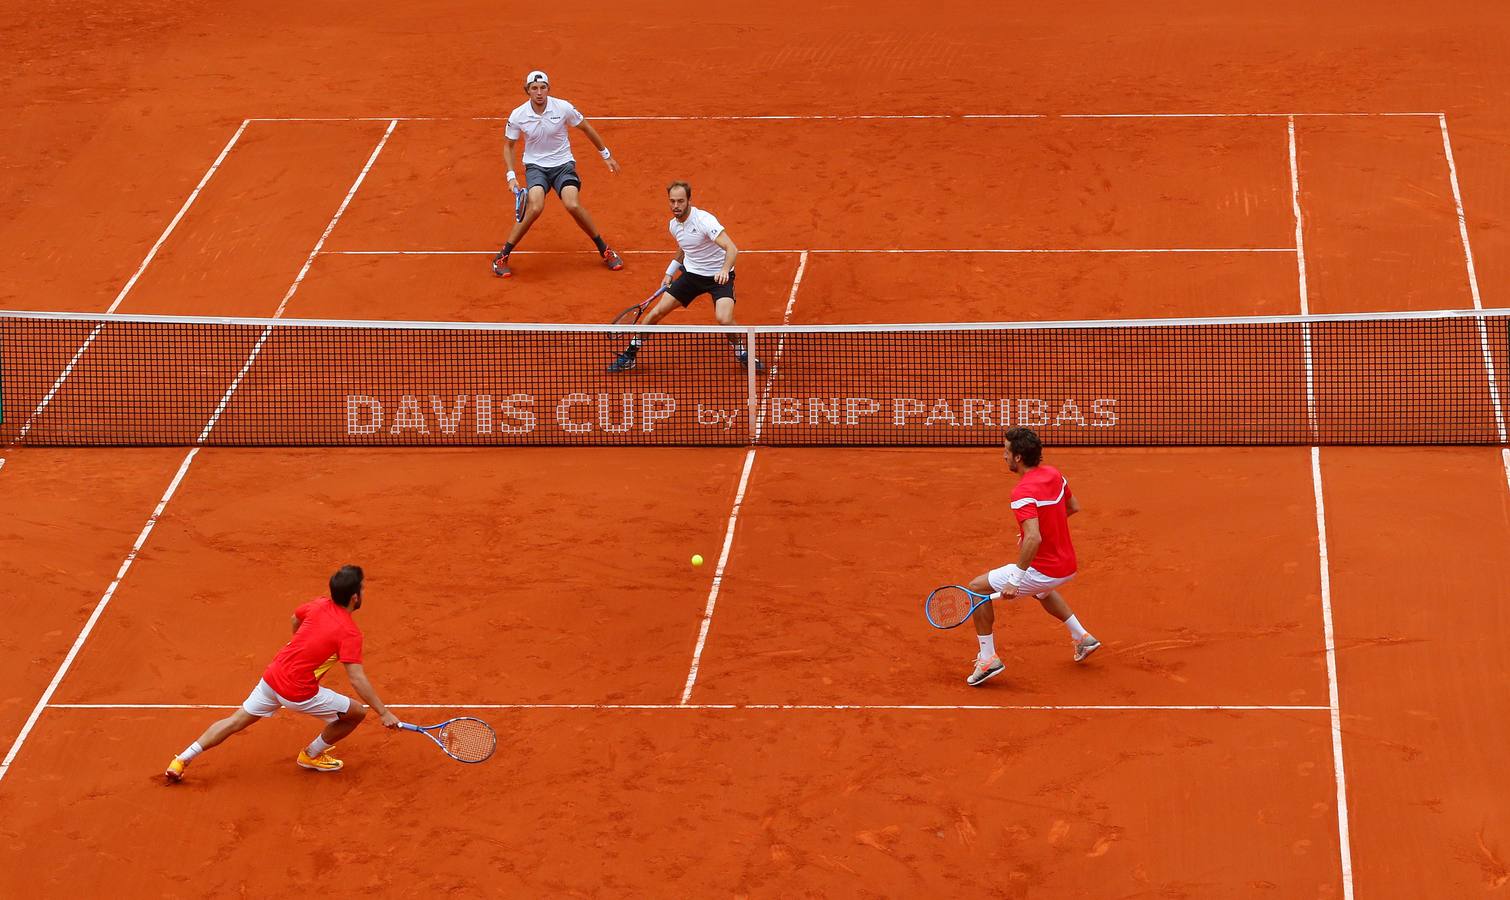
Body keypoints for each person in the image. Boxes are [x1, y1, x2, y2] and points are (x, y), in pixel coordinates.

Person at [163, 565, 399, 781]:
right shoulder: (349, 632)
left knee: (235, 721)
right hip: (299, 692)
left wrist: (302, 643)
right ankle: (311, 755)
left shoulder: (318, 605)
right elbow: (356, 678)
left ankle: (181, 760)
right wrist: (384, 712)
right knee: (356, 714)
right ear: (355, 597)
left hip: (272, 677)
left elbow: (295, 618)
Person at [964, 427, 1100, 686]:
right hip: (1067, 565)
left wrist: (1015, 579)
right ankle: (1082, 638)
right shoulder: (1054, 474)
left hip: (1046, 569)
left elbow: (1034, 537)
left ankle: (987, 658)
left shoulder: (1021, 493)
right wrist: (1034, 533)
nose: (1003, 456)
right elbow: (1072, 507)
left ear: (1017, 457)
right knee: (1043, 590)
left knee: (976, 588)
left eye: (1006, 452)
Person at [608, 180, 762, 373]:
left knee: (724, 319)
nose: (676, 206)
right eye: (672, 201)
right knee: (655, 313)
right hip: (692, 276)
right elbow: (684, 248)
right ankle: (630, 355)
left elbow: (732, 248)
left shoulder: (704, 221)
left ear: (689, 200)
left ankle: (742, 353)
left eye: (680, 201)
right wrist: (669, 273)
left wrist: (724, 270)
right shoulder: (673, 225)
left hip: (718, 277)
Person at [491, 70, 624, 278]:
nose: (539, 92)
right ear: (527, 91)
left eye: (543, 87)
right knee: (535, 207)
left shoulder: (563, 107)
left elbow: (587, 128)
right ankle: (501, 256)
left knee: (572, 204)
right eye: (534, 88)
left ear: (548, 89)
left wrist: (606, 155)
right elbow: (508, 146)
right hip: (535, 167)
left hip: (563, 164)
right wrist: (511, 176)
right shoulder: (518, 115)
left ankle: (604, 249)